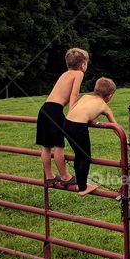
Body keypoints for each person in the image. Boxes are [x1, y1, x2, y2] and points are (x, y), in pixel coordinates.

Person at [36, 48, 88, 187]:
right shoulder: (78, 74)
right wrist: (72, 113)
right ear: (82, 64)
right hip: (55, 111)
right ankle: (65, 177)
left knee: (46, 147)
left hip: (44, 109)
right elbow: (74, 95)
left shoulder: (64, 74)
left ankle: (49, 177)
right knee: (59, 146)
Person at [61, 77, 118, 196]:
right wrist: (125, 140)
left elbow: (76, 108)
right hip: (78, 127)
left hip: (66, 123)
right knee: (86, 157)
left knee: (79, 154)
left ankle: (79, 181)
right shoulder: (104, 106)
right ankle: (83, 188)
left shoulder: (85, 96)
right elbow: (115, 126)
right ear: (110, 96)